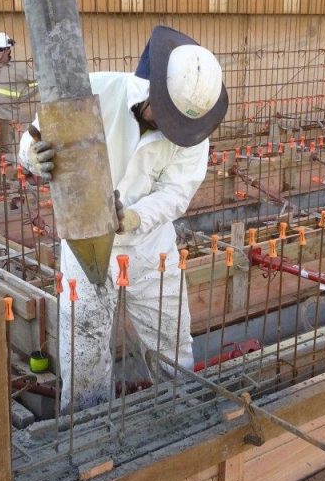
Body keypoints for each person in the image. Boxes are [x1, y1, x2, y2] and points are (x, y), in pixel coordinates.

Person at [18, 26, 227, 411]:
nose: (172, 132)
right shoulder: (98, 92)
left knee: (171, 343)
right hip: (85, 245)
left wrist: (134, 217)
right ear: (154, 95)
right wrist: (32, 156)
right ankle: (85, 426)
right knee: (84, 351)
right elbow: (33, 136)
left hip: (150, 249)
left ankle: (178, 413)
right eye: (167, 120)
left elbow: (176, 193)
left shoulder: (194, 133)